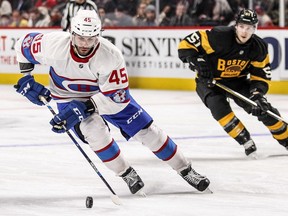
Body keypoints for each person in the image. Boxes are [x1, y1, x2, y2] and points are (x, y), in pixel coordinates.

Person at [14, 9, 210, 194]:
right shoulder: (52, 44)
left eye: (90, 38)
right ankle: (126, 173)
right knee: (95, 133)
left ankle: (185, 169)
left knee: (149, 133)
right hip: (67, 97)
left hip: (107, 97)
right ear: (71, 33)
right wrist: (26, 77)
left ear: (99, 35)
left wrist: (88, 105)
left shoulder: (110, 55)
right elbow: (22, 44)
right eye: (80, 37)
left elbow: (118, 97)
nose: (84, 44)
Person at [178, 9, 288, 157]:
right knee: (219, 109)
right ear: (236, 26)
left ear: (255, 29)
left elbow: (260, 76)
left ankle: (286, 139)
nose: (244, 31)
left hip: (238, 81)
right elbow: (185, 45)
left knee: (262, 108)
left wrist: (257, 94)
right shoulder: (219, 36)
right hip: (210, 82)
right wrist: (197, 61)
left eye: (249, 28)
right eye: (242, 26)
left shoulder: (259, 47)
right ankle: (245, 141)